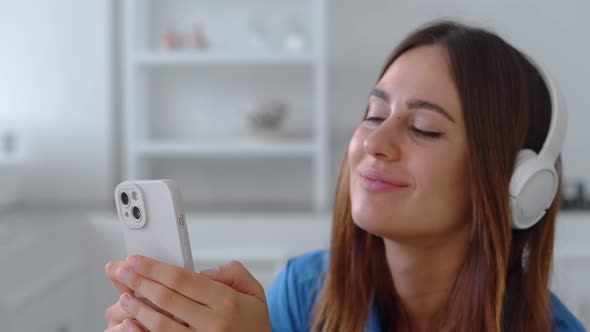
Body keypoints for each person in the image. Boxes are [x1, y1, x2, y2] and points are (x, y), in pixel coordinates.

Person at [103, 20, 586, 331]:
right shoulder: (305, 292)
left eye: (423, 128)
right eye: (374, 115)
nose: (374, 143)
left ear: (515, 185)